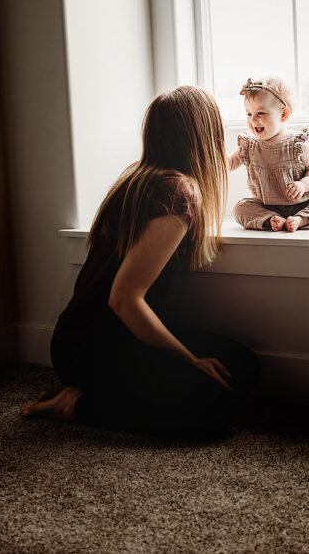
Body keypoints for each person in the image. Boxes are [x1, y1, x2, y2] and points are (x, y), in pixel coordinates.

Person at [21, 86, 259, 439]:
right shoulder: (179, 193)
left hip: (88, 338)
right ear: (203, 136)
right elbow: (124, 298)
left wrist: (245, 154)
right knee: (211, 407)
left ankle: (95, 393)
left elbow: (211, 168)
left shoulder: (143, 176)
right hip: (96, 347)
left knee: (242, 364)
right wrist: (189, 359)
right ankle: (76, 405)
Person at [229, 77, 309, 232]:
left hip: (303, 203)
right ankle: (271, 219)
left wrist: (303, 185)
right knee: (239, 208)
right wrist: (214, 153)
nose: (253, 120)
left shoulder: (297, 144)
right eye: (249, 114)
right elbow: (230, 162)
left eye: (260, 113)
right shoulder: (250, 145)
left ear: (284, 115)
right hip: (266, 206)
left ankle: (300, 219)